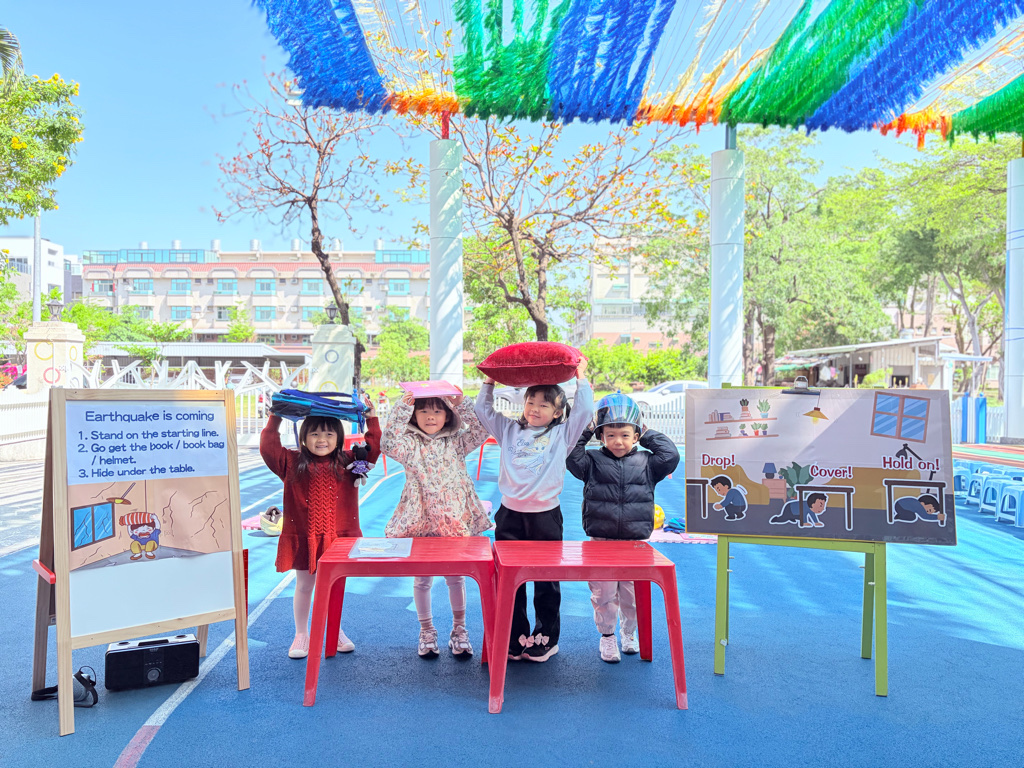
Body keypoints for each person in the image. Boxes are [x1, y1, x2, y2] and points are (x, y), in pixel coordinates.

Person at [475, 358, 594, 662]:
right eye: (530, 401)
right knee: (509, 578)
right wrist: (489, 381)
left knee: (546, 579)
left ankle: (546, 638)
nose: (535, 408)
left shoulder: (563, 434)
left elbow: (584, 411)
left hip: (545, 517)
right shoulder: (508, 429)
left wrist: (581, 377)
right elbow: (482, 411)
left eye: (544, 404)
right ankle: (515, 637)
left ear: (557, 413)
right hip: (510, 516)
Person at [260, 399, 381, 659]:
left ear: (339, 438)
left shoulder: (351, 461)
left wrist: (372, 419)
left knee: (335, 586)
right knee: (305, 585)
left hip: (339, 538)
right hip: (306, 537)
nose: (322, 439)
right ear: (304, 438)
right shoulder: (290, 462)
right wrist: (275, 416)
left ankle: (334, 629)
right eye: (314, 434)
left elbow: (374, 449)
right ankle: (301, 633)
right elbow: (268, 448)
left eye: (329, 434)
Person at [566, 394, 679, 663]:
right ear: (601, 436)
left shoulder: (648, 463)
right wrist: (588, 428)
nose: (618, 441)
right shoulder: (591, 462)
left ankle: (629, 632)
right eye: (611, 435)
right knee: (603, 593)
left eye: (626, 435)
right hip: (601, 541)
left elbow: (671, 455)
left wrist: (647, 433)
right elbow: (571, 454)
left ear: (636, 436)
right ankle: (607, 636)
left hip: (634, 545)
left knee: (632, 595)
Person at [381, 389, 493, 659]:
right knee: (422, 578)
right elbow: (388, 444)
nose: (430, 416)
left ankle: (459, 629)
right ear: (414, 415)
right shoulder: (410, 444)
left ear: (448, 415)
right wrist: (401, 408)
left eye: (437, 411)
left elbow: (481, 430)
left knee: (455, 577)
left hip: (453, 520)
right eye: (423, 410)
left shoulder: (457, 441)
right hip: (420, 521)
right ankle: (427, 630)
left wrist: (462, 404)